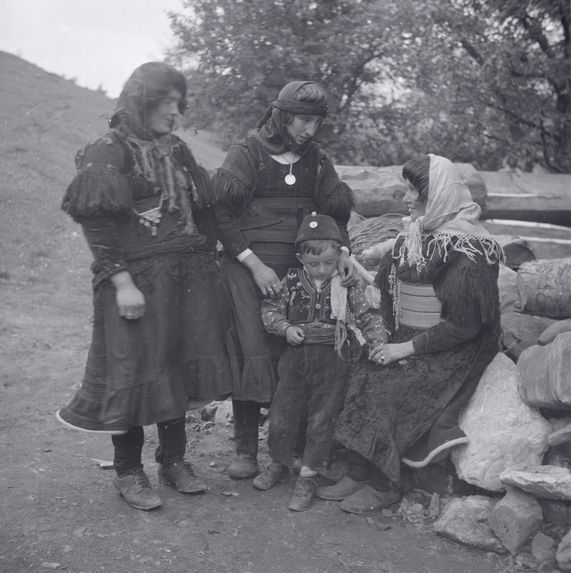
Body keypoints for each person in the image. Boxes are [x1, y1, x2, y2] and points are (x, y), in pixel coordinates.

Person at [55, 62, 238, 511]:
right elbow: (97, 223)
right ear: (142, 100)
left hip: (184, 280)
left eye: (180, 104)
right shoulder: (108, 149)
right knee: (133, 374)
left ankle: (173, 461)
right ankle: (128, 471)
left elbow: (203, 207)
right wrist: (122, 283)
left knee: (174, 368)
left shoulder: (175, 149)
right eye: (167, 102)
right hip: (135, 282)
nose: (176, 113)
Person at [317, 154, 503, 514]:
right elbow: (389, 287)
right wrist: (384, 336)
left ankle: (385, 483)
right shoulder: (418, 233)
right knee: (362, 371)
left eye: (411, 191)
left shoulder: (470, 250)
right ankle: (358, 469)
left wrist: (404, 349)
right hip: (411, 334)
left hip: (455, 346)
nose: (404, 199)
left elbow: (465, 325)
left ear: (436, 196)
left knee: (392, 388)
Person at [213, 81, 356, 479]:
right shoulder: (247, 152)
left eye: (317, 122)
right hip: (247, 265)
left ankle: (288, 449)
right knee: (251, 346)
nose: (310, 130)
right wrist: (254, 265)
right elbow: (221, 215)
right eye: (304, 120)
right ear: (282, 115)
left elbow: (335, 212)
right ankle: (245, 449)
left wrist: (342, 252)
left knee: (296, 353)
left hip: (300, 269)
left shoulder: (316, 160)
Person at [251, 213, 387, 511]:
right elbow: (270, 311)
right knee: (283, 413)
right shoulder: (289, 281)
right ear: (301, 258)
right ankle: (279, 462)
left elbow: (366, 316)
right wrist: (285, 328)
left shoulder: (347, 285)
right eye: (314, 264)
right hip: (295, 359)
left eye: (329, 262)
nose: (323, 270)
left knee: (321, 419)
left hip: (333, 361)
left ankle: (308, 476)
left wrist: (378, 343)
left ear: (339, 255)